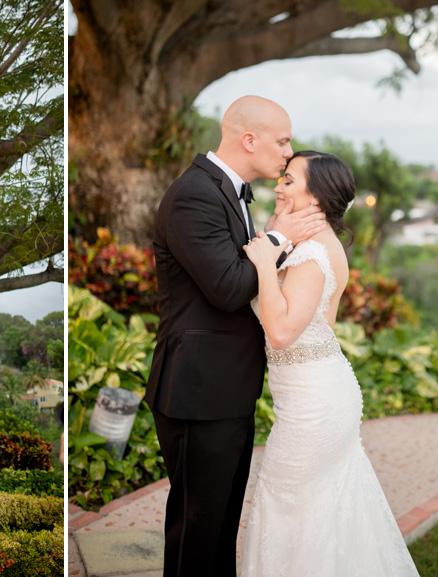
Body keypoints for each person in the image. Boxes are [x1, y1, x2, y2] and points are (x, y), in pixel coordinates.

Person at [145, 95, 326, 577]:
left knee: (220, 525)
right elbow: (227, 287)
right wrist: (279, 238)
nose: (289, 151)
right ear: (250, 139)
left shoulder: (230, 191)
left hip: (226, 390)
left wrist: (275, 240)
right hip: (198, 391)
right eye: (282, 140)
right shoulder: (194, 194)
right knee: (197, 533)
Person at [240, 151, 418, 576]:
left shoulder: (314, 256)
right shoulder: (308, 246)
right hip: (315, 395)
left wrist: (265, 262)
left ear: (317, 197)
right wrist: (273, 237)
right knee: (318, 511)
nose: (278, 187)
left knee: (289, 506)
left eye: (288, 181)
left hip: (314, 407)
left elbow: (281, 333)